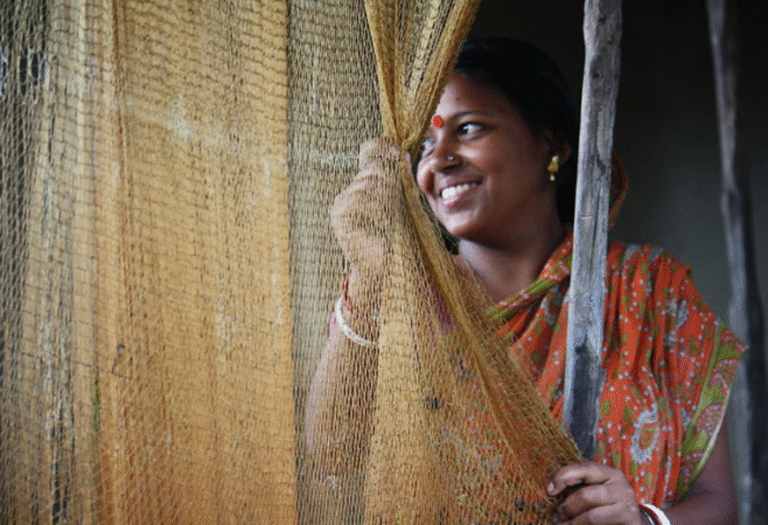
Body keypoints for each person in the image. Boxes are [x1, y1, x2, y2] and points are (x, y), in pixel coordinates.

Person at [306, 37, 743, 525]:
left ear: (552, 144)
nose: (438, 160)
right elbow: (333, 453)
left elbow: (719, 502)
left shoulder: (648, 289)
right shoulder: (400, 299)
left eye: (468, 129)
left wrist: (644, 520)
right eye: (424, 146)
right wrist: (369, 276)